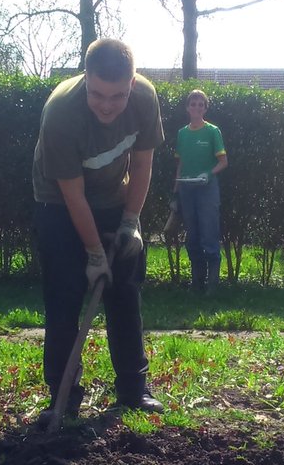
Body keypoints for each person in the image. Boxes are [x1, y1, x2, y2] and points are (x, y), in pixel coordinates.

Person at [31, 38, 165, 422]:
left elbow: (142, 165)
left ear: (133, 82)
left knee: (124, 289)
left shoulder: (144, 98)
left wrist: (130, 222)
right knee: (65, 295)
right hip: (57, 201)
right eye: (98, 94)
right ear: (85, 78)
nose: (107, 105)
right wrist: (92, 254)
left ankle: (133, 391)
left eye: (117, 96)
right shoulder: (61, 112)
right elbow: (72, 196)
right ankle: (64, 394)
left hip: (112, 195)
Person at [173, 89, 228, 293]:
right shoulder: (182, 133)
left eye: (201, 104)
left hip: (207, 189)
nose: (197, 107)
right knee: (192, 235)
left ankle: (212, 285)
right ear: (187, 108)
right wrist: (175, 193)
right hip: (187, 189)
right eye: (193, 104)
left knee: (209, 233)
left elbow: (223, 162)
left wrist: (208, 174)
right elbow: (180, 165)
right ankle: (197, 282)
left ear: (205, 108)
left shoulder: (213, 131)